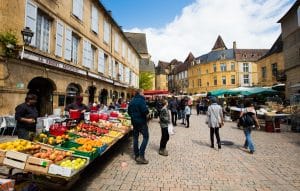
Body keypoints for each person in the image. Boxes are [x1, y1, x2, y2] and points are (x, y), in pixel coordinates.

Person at [128, 89, 150, 164]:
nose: (144, 94)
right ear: (140, 93)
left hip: (134, 122)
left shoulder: (132, 101)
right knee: (146, 137)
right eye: (143, 93)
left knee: (135, 138)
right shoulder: (141, 100)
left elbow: (129, 112)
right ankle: (141, 155)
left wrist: (134, 117)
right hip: (141, 122)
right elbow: (145, 111)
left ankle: (136, 155)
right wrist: (147, 112)